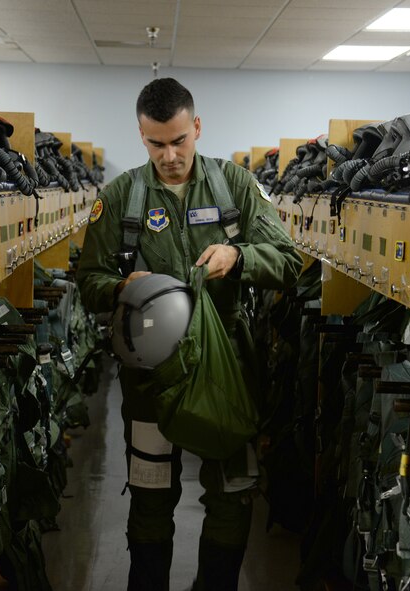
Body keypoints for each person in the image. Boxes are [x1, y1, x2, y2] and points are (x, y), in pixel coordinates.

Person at [76, 77, 301, 591]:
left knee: (231, 496)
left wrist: (239, 255)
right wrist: (120, 288)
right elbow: (87, 281)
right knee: (150, 500)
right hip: (150, 381)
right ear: (141, 136)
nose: (170, 154)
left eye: (179, 140)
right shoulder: (121, 197)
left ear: (196, 127)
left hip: (227, 374)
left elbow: (290, 262)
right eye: (157, 143)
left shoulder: (235, 187)